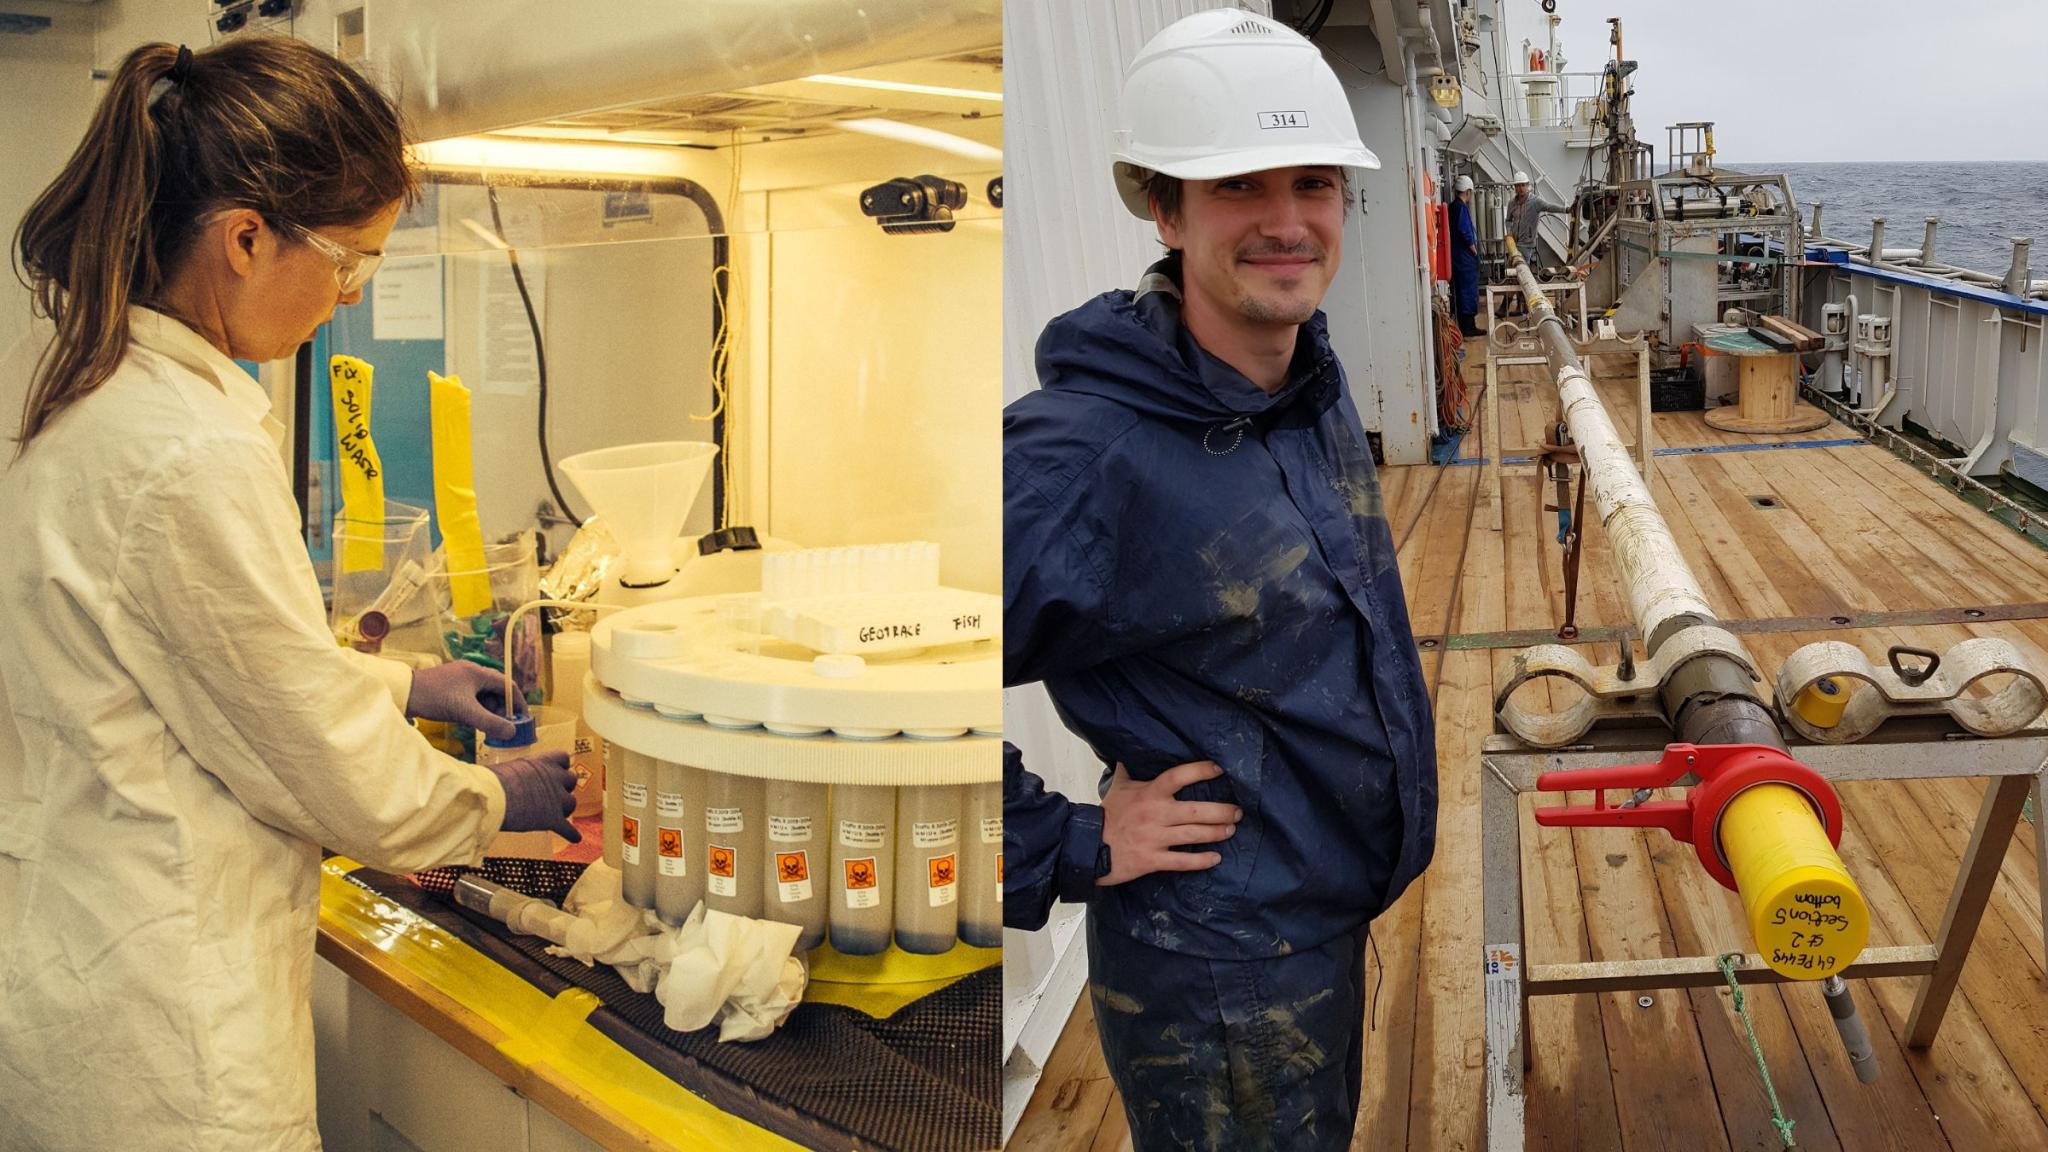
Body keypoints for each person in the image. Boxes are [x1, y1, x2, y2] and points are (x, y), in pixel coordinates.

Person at [0, 38, 580, 1149]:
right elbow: (335, 778)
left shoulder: (91, 371)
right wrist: (500, 801)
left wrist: (410, 678)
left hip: (80, 962)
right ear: (245, 237)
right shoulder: (187, 453)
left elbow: (192, 659)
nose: (350, 295)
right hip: (167, 1038)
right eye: (349, 260)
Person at [1002, 10, 1437, 1150]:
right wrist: (1060, 842)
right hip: (1220, 980)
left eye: (1312, 183)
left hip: (1314, 921)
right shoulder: (1082, 453)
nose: (1287, 221)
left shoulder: (1302, 383)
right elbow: (890, 684)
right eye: (1239, 187)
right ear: (1162, 208)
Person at [1507, 170, 1568, 274]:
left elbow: (1549, 207)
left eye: (1523, 185)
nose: (1520, 188)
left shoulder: (1535, 202)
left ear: (1527, 186)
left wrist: (1566, 210)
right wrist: (1509, 234)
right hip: (1513, 243)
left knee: (1521, 270)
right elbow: (1508, 220)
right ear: (1515, 187)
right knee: (1512, 268)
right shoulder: (1512, 203)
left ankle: (1522, 289)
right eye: (1518, 185)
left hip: (1526, 243)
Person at [1451, 174, 1482, 335]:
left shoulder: (1453, 207)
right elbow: (1465, 231)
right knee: (1468, 291)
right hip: (1465, 259)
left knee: (1464, 290)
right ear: (1468, 191)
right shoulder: (1461, 208)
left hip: (1458, 257)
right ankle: (1469, 327)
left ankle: (1466, 325)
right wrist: (1474, 251)